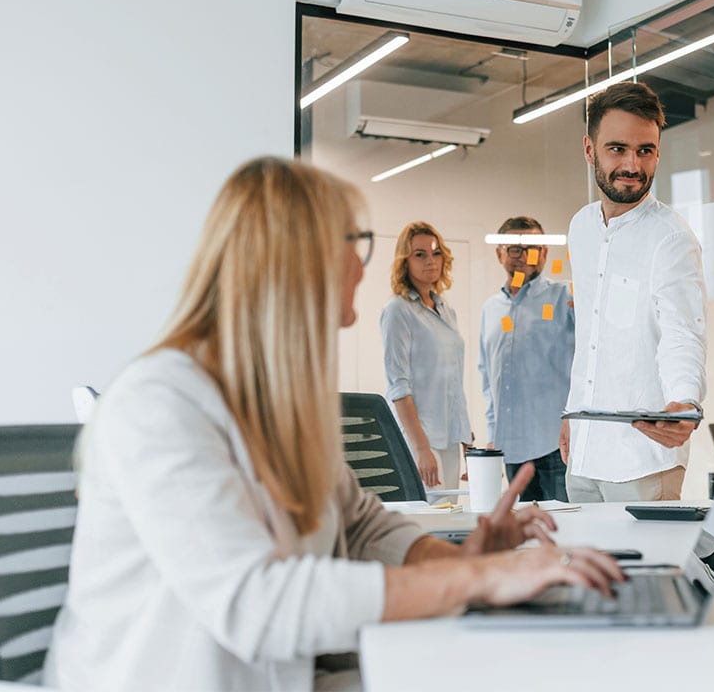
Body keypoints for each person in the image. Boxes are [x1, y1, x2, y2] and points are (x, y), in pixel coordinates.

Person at [43, 158, 623, 692]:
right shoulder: (161, 405)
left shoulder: (280, 402)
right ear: (300, 256)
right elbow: (258, 604)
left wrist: (474, 561)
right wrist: (479, 581)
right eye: (356, 240)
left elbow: (366, 529)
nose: (361, 262)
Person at [560, 81, 707, 503]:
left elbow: (683, 333)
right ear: (589, 149)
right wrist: (574, 412)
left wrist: (685, 401)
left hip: (644, 460)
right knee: (586, 569)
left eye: (646, 150)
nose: (632, 165)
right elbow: (589, 337)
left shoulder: (671, 238)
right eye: (617, 149)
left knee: (644, 573)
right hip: (585, 455)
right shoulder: (581, 228)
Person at [479, 215, 574, 502]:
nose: (522, 257)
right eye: (514, 249)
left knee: (565, 532)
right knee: (525, 537)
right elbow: (488, 379)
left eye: (531, 248)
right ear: (500, 254)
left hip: (556, 446)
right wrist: (494, 433)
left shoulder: (564, 298)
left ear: (544, 253)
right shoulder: (491, 308)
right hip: (512, 448)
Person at [381, 222, 471, 490]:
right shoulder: (398, 310)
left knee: (451, 521)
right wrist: (421, 449)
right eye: (419, 254)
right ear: (404, 261)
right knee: (431, 521)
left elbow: (454, 380)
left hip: (451, 438)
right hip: (422, 439)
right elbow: (398, 386)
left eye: (436, 253)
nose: (430, 261)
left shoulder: (446, 310)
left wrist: (466, 438)